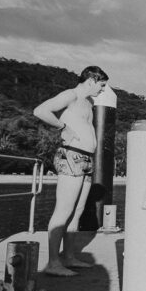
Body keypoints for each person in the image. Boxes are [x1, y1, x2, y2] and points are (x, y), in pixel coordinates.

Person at [33, 65, 109, 276]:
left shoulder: (89, 103)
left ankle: (68, 256)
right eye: (101, 85)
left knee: (77, 211)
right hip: (71, 156)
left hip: (85, 159)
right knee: (63, 210)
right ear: (91, 80)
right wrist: (62, 127)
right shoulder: (72, 95)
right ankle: (53, 262)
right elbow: (40, 111)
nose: (102, 90)